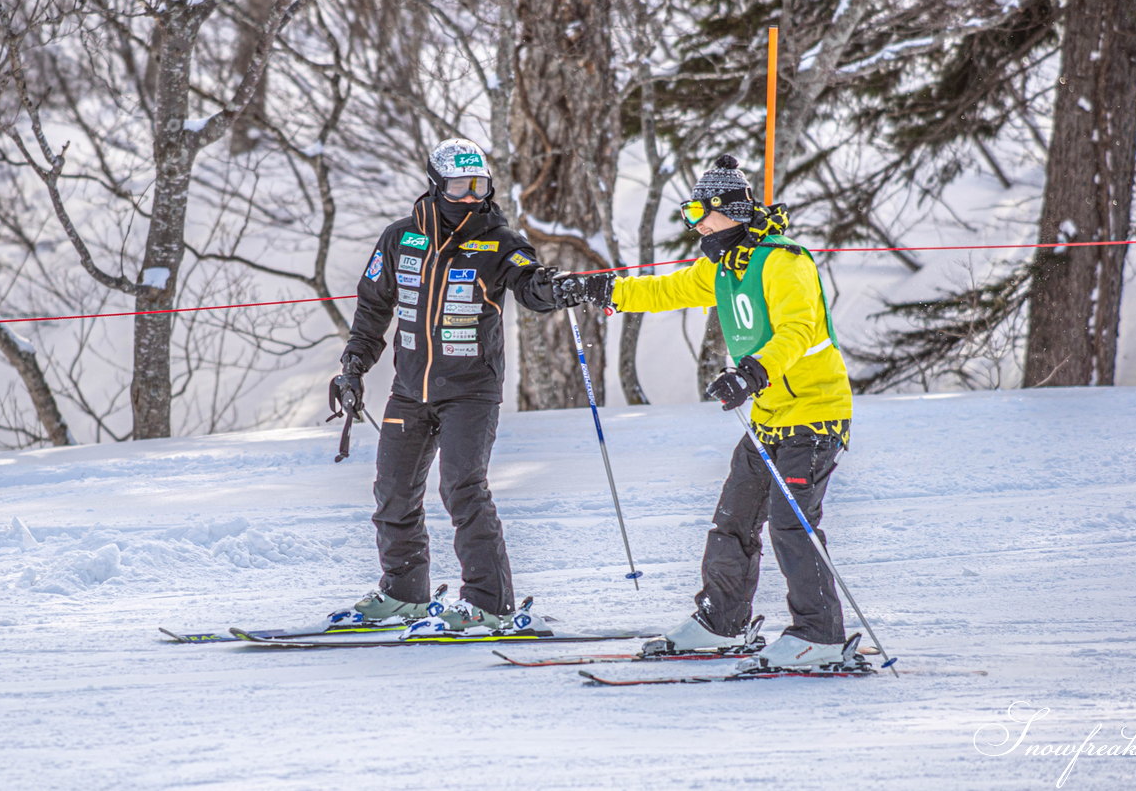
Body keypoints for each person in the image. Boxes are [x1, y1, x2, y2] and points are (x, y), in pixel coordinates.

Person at [557, 154, 853, 667]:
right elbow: (666, 289)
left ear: (731, 211)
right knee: (733, 521)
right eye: (691, 214)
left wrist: (750, 373)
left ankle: (820, 635)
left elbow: (798, 331)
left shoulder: (784, 261)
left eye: (701, 213)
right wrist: (601, 289)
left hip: (814, 413)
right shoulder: (722, 265)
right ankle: (723, 624)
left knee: (790, 524)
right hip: (769, 417)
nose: (697, 225)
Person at [328, 138, 566, 633]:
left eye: (479, 185)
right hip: (410, 390)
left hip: (471, 391)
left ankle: (489, 603)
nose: (470, 197)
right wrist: (352, 368)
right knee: (393, 493)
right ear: (436, 185)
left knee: (462, 488)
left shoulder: (500, 241)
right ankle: (403, 594)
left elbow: (530, 285)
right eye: (459, 185)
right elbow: (373, 309)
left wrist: (550, 288)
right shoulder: (400, 239)